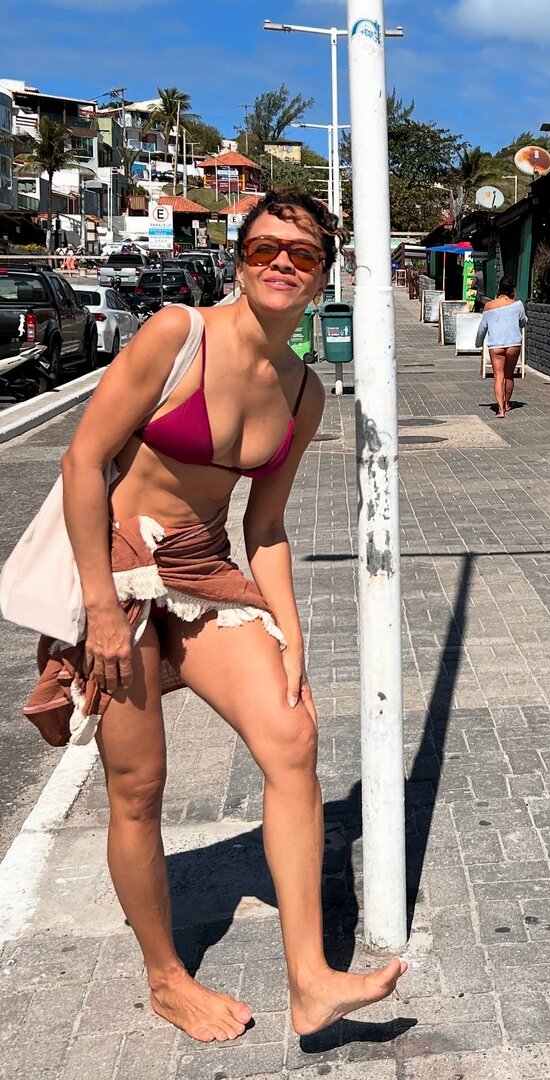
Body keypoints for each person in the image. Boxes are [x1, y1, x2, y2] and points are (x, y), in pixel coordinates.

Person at [21, 189, 406, 1043]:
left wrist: (289, 633)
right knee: (138, 786)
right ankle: (165, 978)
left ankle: (311, 980)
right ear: (240, 260)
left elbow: (264, 527)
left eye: (301, 255)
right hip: (119, 565)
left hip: (201, 567)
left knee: (293, 736)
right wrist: (100, 608)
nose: (281, 264)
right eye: (264, 249)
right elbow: (83, 461)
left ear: (323, 276)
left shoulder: (303, 393)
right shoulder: (178, 334)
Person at [475, 276, 527, 418]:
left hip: (496, 345)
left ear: (499, 288)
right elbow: (523, 322)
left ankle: (500, 410)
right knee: (509, 375)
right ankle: (507, 403)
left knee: (498, 376)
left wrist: (478, 342)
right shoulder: (518, 304)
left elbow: (482, 328)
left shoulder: (489, 306)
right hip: (513, 344)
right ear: (512, 290)